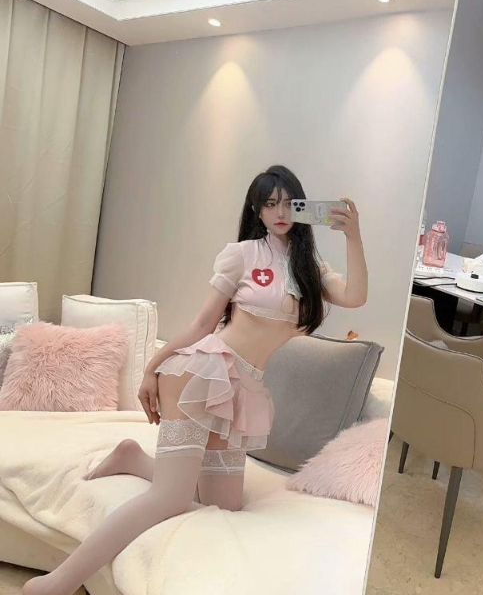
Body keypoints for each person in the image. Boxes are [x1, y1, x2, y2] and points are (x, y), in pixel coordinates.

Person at [23, 165, 368, 595]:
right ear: (257, 211)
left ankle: (133, 458)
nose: (279, 212)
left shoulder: (310, 268)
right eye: (269, 204)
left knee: (224, 505)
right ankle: (56, 582)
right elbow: (203, 323)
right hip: (202, 372)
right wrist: (152, 368)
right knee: (169, 498)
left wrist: (353, 236)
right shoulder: (242, 254)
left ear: (301, 208)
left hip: (241, 388)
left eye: (287, 203)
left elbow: (356, 296)